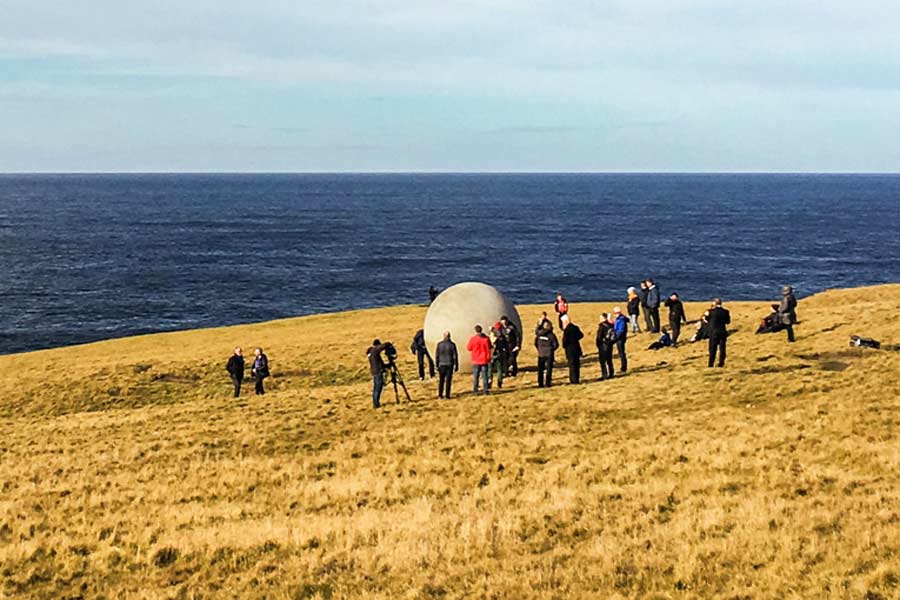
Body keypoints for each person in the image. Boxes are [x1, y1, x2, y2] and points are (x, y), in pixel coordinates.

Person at [467, 324, 492, 395]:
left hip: (476, 360)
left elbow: (469, 348)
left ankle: (475, 391)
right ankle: (486, 390)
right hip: (484, 360)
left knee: (476, 376)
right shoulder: (486, 339)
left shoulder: (473, 339)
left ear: (475, 331)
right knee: (485, 376)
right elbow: (490, 347)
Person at [366, 339, 391, 408]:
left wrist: (386, 365)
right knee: (378, 388)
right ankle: (376, 404)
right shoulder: (374, 351)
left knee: (376, 387)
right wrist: (388, 344)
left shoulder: (371, 352)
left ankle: (375, 402)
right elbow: (381, 347)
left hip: (374, 371)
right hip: (378, 372)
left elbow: (378, 362)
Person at [706, 298, 731, 368]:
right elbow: (728, 322)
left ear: (714, 303)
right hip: (722, 332)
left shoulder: (710, 311)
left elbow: (706, 320)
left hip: (713, 332)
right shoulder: (726, 312)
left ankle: (711, 364)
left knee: (712, 349)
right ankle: (721, 363)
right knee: (722, 348)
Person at [534, 320, 559, 387]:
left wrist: (539, 349)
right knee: (549, 369)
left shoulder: (539, 335)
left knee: (540, 370)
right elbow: (556, 344)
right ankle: (548, 383)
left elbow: (535, 343)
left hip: (541, 354)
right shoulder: (551, 335)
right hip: (549, 354)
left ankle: (540, 383)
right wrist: (551, 350)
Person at [434, 331, 458, 399]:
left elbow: (437, 355)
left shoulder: (439, 344)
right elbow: (455, 356)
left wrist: (436, 364)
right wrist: (456, 365)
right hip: (449, 364)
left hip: (441, 364)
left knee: (441, 380)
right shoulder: (452, 345)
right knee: (448, 381)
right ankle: (447, 395)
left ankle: (440, 395)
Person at [561, 314, 584, 384]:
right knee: (577, 364)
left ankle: (573, 380)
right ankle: (576, 378)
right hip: (577, 348)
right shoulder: (575, 327)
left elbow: (564, 341)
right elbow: (581, 335)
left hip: (570, 349)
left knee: (572, 365)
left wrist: (565, 345)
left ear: (566, 321)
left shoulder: (567, 330)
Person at [489, 324, 510, 389]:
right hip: (500, 355)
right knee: (499, 369)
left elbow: (489, 344)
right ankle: (499, 382)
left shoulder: (493, 336)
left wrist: (491, 331)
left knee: (490, 369)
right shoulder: (503, 337)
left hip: (492, 355)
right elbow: (507, 346)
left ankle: (489, 381)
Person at [595, 313, 616, 380]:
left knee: (603, 361)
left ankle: (604, 375)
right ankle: (611, 373)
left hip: (603, 345)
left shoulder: (602, 326)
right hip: (610, 344)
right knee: (609, 360)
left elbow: (599, 337)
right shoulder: (610, 325)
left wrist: (598, 344)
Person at [613, 307, 629, 373]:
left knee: (621, 353)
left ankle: (623, 368)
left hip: (620, 339)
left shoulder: (621, 320)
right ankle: (623, 367)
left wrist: (615, 338)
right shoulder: (620, 319)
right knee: (621, 353)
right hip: (619, 337)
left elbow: (621, 330)